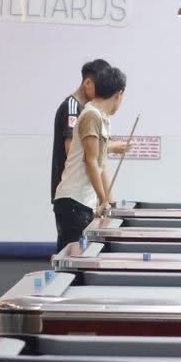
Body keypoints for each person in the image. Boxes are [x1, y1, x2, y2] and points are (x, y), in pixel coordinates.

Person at [51, 65, 126, 251]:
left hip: (81, 202)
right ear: (119, 94)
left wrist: (109, 201)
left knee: (79, 256)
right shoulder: (91, 115)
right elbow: (90, 161)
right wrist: (103, 199)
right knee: (73, 257)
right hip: (73, 200)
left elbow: (100, 164)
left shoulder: (101, 117)